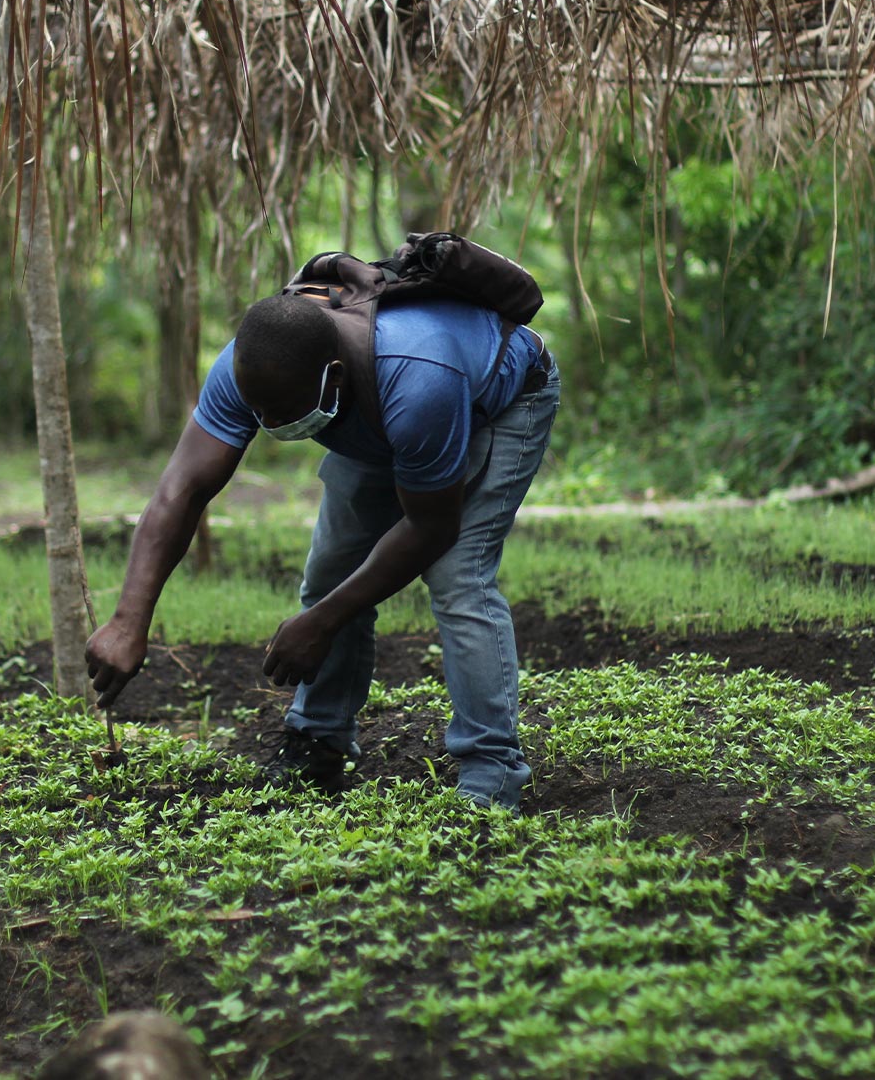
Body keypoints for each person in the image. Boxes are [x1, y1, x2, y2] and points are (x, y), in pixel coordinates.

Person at [84, 238, 559, 811]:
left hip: (497, 399)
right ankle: (318, 743)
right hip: (380, 416)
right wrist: (127, 621)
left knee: (458, 579)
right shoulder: (251, 363)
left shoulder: (419, 378)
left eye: (286, 412)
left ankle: (491, 767)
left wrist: (322, 623)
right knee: (332, 569)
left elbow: (431, 528)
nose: (274, 424)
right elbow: (180, 490)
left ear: (332, 375)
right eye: (263, 415)